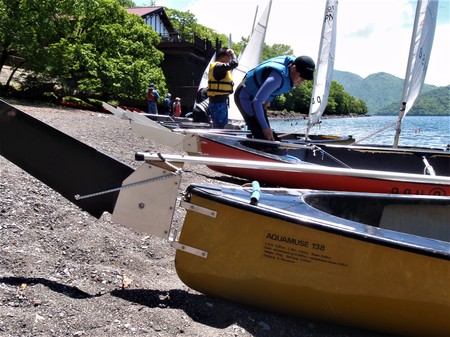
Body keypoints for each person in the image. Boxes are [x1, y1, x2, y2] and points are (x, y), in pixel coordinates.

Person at [234, 55, 315, 141]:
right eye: (302, 76)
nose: (303, 81)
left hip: (257, 99)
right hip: (245, 96)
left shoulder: (290, 74)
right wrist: (265, 128)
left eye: (305, 78)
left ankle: (262, 145)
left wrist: (267, 101)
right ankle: (251, 148)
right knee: (261, 131)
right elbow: (257, 102)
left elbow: (268, 96)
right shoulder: (277, 77)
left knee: (268, 135)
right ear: (293, 68)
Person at [207, 48, 238, 128]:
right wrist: (232, 54)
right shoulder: (218, 66)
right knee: (219, 126)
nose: (230, 59)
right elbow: (234, 64)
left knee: (220, 125)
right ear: (223, 57)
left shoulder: (219, 67)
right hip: (218, 103)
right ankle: (216, 139)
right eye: (229, 57)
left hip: (219, 102)